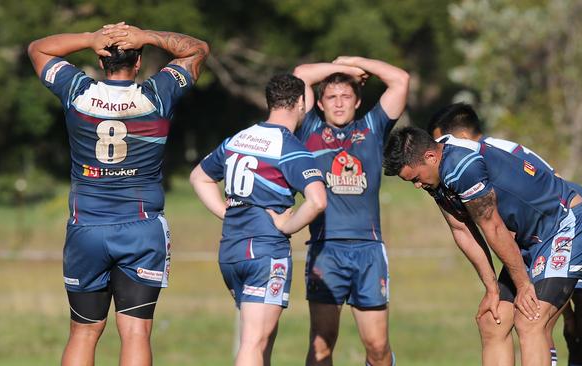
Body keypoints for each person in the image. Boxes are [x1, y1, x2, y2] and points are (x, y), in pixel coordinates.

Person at [28, 22, 209, 365]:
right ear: (139, 63)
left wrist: (89, 39)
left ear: (100, 61)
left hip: (87, 229)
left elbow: (38, 48)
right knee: (136, 332)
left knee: (83, 331)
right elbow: (198, 48)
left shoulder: (77, 91)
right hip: (141, 229)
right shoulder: (157, 95)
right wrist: (149, 37)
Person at [429, 103, 582, 366]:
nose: (437, 151)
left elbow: (556, 213)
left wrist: (579, 302)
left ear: (459, 138)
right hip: (551, 243)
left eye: (439, 141)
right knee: (543, 323)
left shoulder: (496, 154)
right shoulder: (463, 172)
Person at [383, 126, 582, 366]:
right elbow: (462, 229)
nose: (416, 185)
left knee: (530, 319)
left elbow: (493, 227)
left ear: (431, 157)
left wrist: (523, 284)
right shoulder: (435, 175)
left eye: (415, 178)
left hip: (565, 225)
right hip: (529, 243)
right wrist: (492, 289)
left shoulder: (461, 167)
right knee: (491, 321)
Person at [190, 73, 327, 366]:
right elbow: (317, 201)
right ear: (301, 103)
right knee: (253, 341)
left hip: (231, 251)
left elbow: (199, 177)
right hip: (265, 251)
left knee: (262, 340)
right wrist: (286, 226)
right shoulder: (290, 148)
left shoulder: (238, 139)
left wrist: (228, 213)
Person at [293, 57, 409, 366]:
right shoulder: (310, 129)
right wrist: (338, 69)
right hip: (325, 251)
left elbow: (400, 80)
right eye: (331, 97)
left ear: (357, 101)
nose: (339, 103)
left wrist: (356, 64)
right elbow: (300, 75)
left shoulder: (372, 127)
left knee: (377, 347)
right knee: (321, 344)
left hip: (368, 250)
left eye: (346, 96)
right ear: (319, 103)